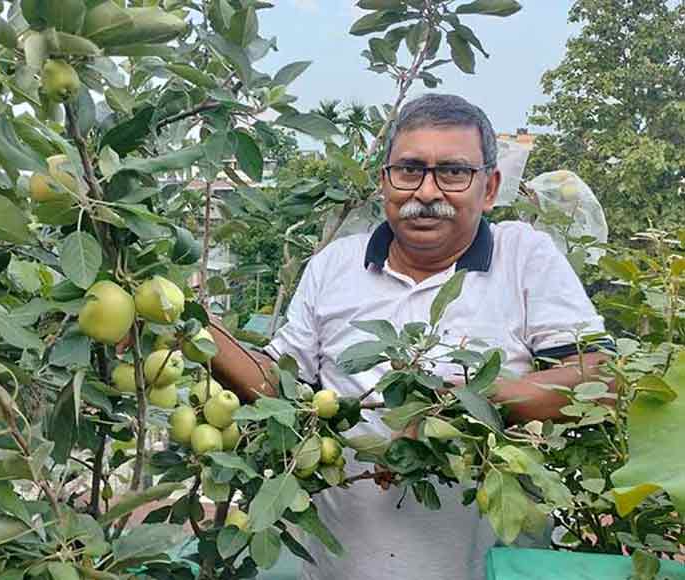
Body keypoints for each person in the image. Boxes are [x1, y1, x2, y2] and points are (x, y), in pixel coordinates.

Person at [209, 93, 609, 580]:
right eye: (410, 170)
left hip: (482, 569)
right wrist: (192, 330)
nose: (427, 191)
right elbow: (277, 387)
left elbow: (601, 379)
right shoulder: (336, 265)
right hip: (341, 570)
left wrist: (459, 404)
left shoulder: (524, 257)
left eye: (454, 173)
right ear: (385, 182)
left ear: (490, 188)